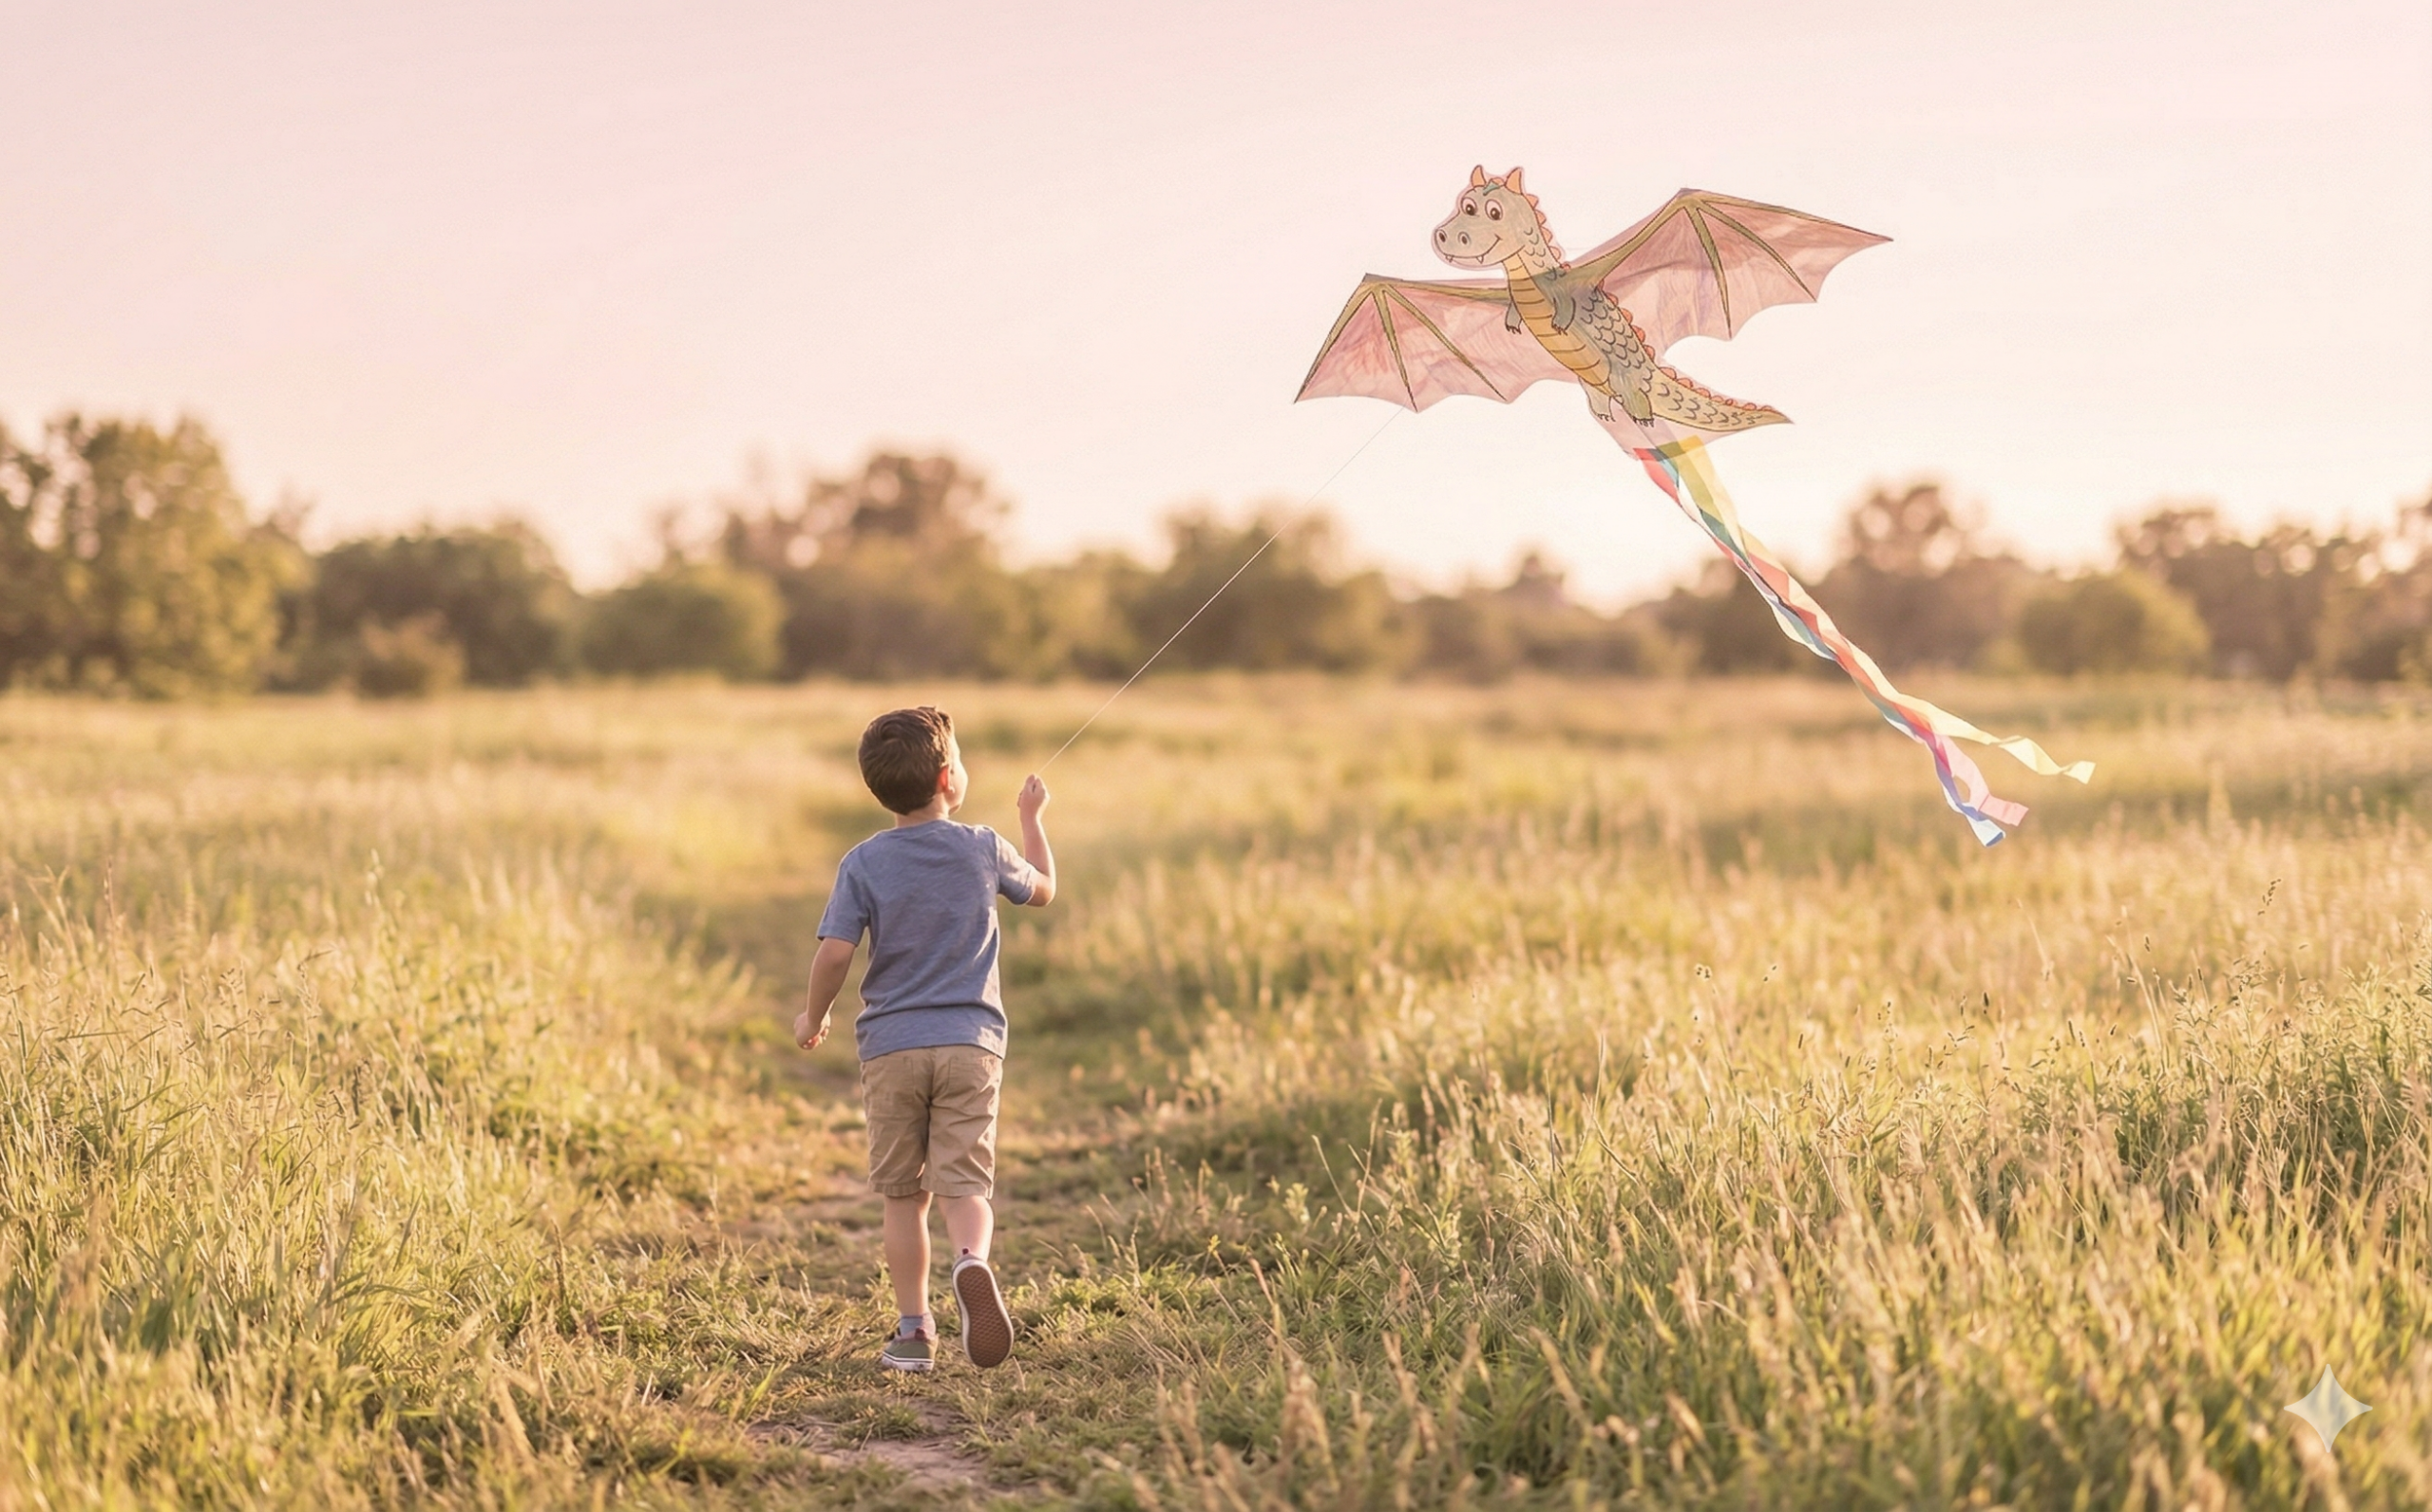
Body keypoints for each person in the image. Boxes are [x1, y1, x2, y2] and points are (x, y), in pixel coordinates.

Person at [795, 706, 1054, 1371]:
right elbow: (1044, 891)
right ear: (948, 778)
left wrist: (814, 1016)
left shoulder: (863, 862)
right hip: (972, 1044)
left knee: (903, 1197)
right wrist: (1032, 822)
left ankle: (914, 1332)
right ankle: (973, 1262)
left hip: (891, 1047)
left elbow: (833, 956)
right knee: (966, 1185)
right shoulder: (984, 846)